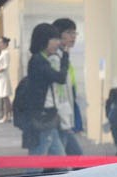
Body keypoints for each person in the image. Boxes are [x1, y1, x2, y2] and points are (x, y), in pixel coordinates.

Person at [20, 23, 68, 156]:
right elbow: (60, 78)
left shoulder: (42, 59)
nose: (58, 43)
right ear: (44, 40)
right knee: (37, 159)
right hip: (41, 117)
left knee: (60, 159)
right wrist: (65, 57)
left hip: (47, 116)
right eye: (55, 39)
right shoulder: (38, 61)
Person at [50, 18, 83, 155]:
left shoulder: (64, 56)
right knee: (64, 158)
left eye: (75, 33)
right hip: (58, 118)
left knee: (74, 157)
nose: (73, 36)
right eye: (69, 32)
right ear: (58, 34)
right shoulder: (54, 59)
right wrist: (63, 118)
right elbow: (58, 91)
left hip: (65, 117)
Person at [0, 37, 12, 123]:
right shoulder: (2, 53)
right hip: (1, 77)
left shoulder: (6, 53)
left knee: (5, 97)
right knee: (5, 97)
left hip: (4, 77)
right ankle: (9, 115)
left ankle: (6, 116)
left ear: (5, 44)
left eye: (1, 42)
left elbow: (5, 66)